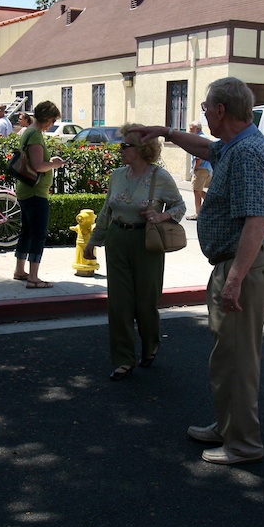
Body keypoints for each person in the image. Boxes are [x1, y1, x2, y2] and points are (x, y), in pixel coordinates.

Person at [133, 77, 264, 465]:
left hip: (241, 266)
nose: (204, 114)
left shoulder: (245, 153)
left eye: (205, 108)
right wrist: (166, 132)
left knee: (238, 359)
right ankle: (227, 426)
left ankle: (244, 443)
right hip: (233, 263)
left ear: (220, 111)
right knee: (225, 354)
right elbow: (206, 147)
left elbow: (256, 222)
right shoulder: (235, 143)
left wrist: (234, 280)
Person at [82, 124, 185, 381]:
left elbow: (179, 206)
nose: (120, 149)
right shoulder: (117, 175)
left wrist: (161, 216)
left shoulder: (159, 177)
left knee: (145, 304)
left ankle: (150, 345)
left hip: (146, 242)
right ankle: (124, 360)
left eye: (125, 145)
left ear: (140, 150)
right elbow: (107, 211)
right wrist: (93, 241)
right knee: (119, 304)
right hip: (118, 239)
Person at [12, 101, 66, 288]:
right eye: (52, 120)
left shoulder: (28, 132)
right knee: (38, 233)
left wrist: (48, 161)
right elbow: (38, 165)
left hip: (26, 189)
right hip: (35, 192)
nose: (52, 124)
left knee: (27, 231)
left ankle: (20, 270)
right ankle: (33, 277)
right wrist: (55, 164)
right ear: (46, 118)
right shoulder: (35, 134)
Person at [186, 120, 212, 220]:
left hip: (201, 169)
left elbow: (199, 157)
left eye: (191, 129)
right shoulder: (204, 138)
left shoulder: (199, 139)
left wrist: (195, 168)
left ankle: (198, 213)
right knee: (198, 190)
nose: (189, 130)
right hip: (207, 169)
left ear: (197, 129)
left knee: (197, 191)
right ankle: (212, 203)